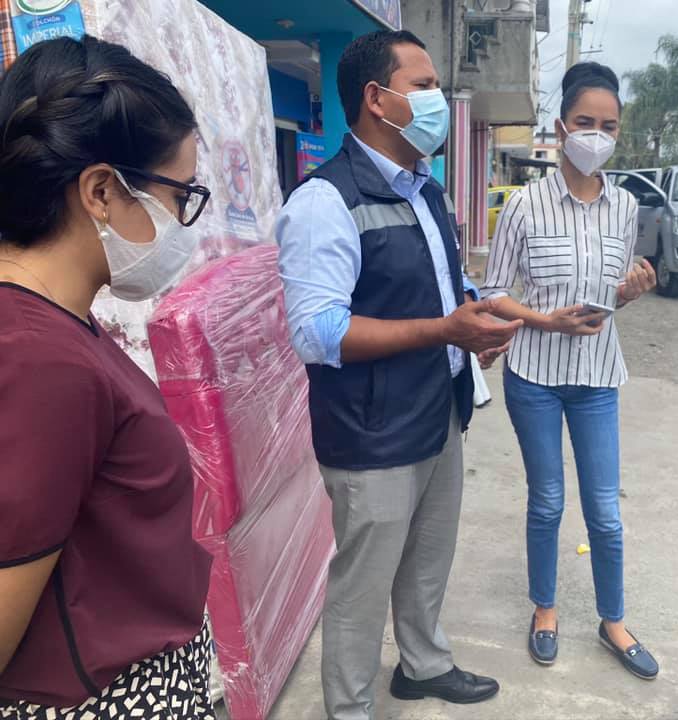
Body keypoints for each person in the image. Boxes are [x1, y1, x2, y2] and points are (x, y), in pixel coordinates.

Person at [276, 30, 518, 720]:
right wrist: (445, 331)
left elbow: (444, 288)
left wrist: (472, 328)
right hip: (371, 431)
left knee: (428, 557)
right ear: (377, 100)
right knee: (362, 584)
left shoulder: (426, 192)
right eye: (425, 86)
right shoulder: (324, 202)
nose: (439, 100)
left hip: (438, 410)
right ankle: (349, 709)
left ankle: (423, 665)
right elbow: (317, 333)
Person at [0, 36, 213, 718]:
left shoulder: (60, 325)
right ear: (99, 190)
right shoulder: (40, 359)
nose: (184, 225)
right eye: (179, 196)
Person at [479, 62, 659, 678]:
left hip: (597, 378)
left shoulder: (625, 206)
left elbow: (609, 297)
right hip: (534, 375)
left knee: (604, 510)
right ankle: (545, 609)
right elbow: (493, 292)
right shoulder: (523, 205)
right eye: (585, 122)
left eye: (608, 126)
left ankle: (613, 620)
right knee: (548, 501)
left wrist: (629, 293)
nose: (596, 136)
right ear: (560, 129)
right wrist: (543, 320)